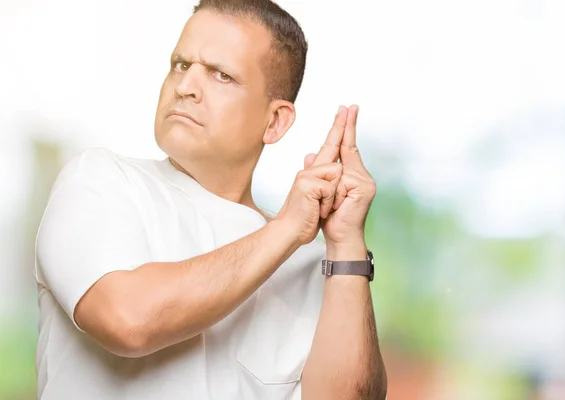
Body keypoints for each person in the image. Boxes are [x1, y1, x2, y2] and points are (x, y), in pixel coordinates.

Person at [34, 0, 387, 399]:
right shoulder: (100, 180)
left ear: (275, 122)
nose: (185, 87)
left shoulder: (313, 262)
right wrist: (288, 229)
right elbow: (127, 319)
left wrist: (346, 245)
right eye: (181, 65)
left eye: (221, 75)